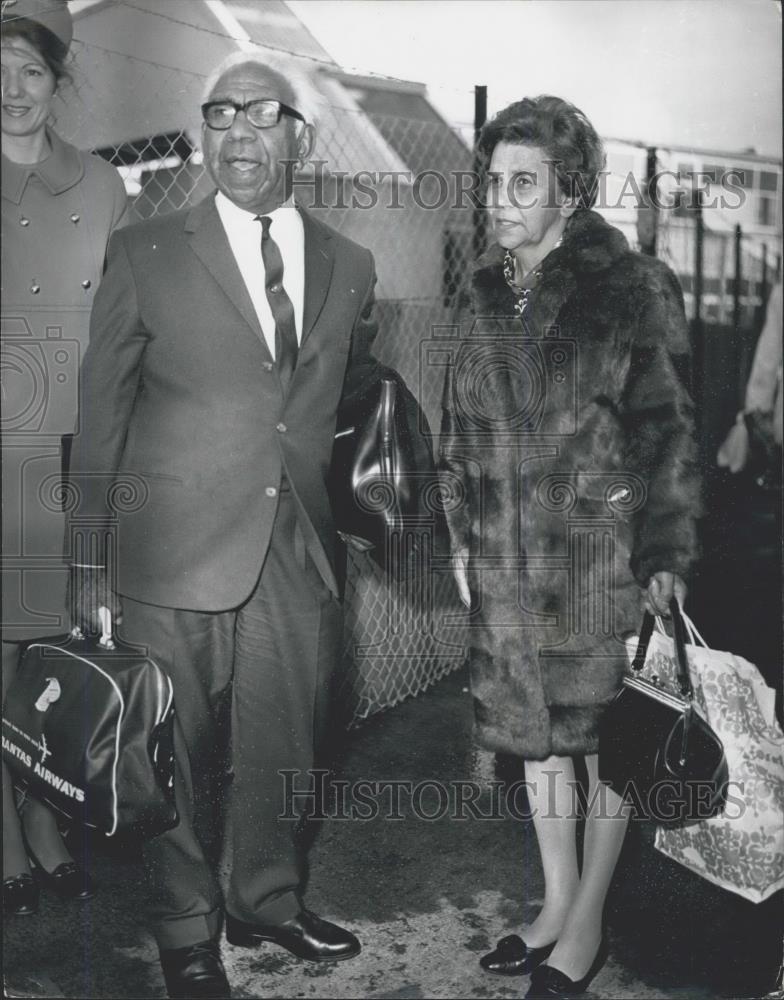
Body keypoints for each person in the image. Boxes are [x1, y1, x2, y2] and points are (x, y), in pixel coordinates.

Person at [68, 51, 378, 1000]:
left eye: (260, 114)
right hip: (168, 553)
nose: (238, 132)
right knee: (169, 756)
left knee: (287, 745)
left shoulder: (351, 264)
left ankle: (268, 902)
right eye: (219, 114)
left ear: (299, 134)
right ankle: (186, 932)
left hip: (294, 551)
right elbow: (102, 412)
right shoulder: (145, 251)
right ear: (204, 132)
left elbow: (339, 403)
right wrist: (89, 565)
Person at [439, 95, 700, 998]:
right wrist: (462, 537)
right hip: (506, 558)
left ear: (571, 191)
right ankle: (553, 905)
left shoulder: (629, 287)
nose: (500, 201)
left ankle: (585, 927)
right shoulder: (481, 293)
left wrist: (656, 550)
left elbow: (665, 432)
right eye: (492, 183)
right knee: (539, 740)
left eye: (522, 183)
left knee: (605, 745)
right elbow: (458, 430)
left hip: (598, 559)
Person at [1, 0, 127, 917]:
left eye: (33, 71)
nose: (13, 91)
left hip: (67, 450)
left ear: (59, 81)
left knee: (49, 644)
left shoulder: (101, 186)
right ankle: (10, 841)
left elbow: (122, 329)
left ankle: (44, 821)